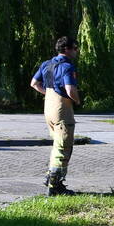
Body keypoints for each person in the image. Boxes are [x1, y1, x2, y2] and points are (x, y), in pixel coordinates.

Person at [30, 36, 81, 195]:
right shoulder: (67, 66)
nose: (76, 51)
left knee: (57, 146)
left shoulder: (47, 64)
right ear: (67, 49)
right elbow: (70, 89)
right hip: (61, 111)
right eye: (75, 48)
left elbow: (34, 83)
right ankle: (55, 186)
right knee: (64, 147)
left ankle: (50, 177)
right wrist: (77, 100)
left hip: (48, 109)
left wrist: (48, 93)